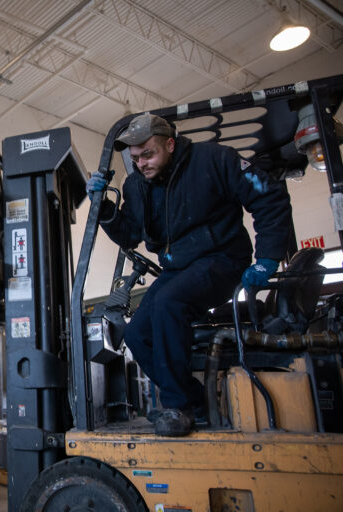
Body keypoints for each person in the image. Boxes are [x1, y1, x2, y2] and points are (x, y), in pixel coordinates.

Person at [87, 113, 292, 436]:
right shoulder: (136, 185)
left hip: (222, 258)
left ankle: (178, 406)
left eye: (149, 154)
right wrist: (106, 210)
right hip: (179, 269)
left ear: (170, 144)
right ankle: (195, 403)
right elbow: (129, 236)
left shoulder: (214, 160)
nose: (142, 163)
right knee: (137, 335)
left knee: (170, 302)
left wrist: (268, 257)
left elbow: (269, 197)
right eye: (135, 157)